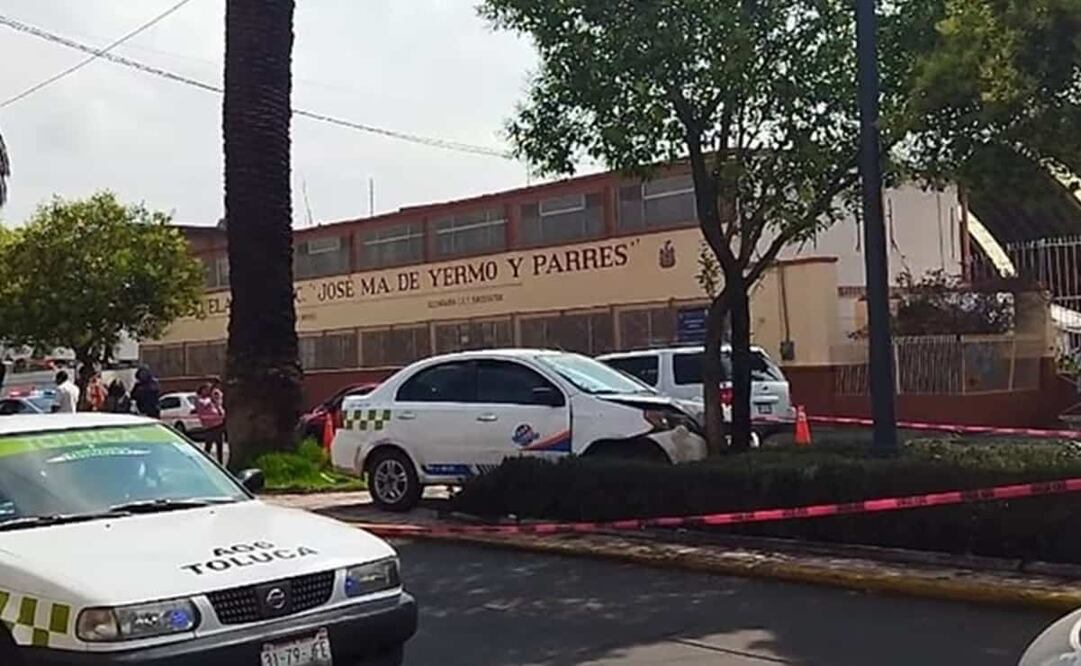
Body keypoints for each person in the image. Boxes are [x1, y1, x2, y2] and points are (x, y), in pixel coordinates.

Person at [194, 383, 225, 462]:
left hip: (218, 424)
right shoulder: (199, 399)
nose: (207, 391)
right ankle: (205, 461)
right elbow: (204, 404)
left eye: (208, 390)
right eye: (206, 389)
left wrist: (216, 398)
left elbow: (219, 406)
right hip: (209, 426)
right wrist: (211, 398)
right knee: (208, 445)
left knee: (219, 445)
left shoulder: (212, 399)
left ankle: (220, 462)